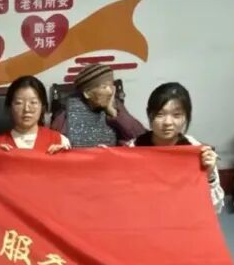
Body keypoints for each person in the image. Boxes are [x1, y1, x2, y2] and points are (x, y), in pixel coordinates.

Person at [132, 82, 224, 215]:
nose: (167, 122)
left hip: (182, 219)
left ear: (186, 117)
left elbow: (214, 209)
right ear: (149, 115)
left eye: (176, 115)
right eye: (160, 114)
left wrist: (209, 176)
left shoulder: (198, 152)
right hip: (144, 218)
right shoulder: (133, 149)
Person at [52, 63, 146, 147]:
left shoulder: (116, 108)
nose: (110, 91)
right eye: (104, 87)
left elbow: (142, 140)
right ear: (87, 93)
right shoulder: (67, 115)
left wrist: (114, 113)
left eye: (111, 85)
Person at [0, 76, 70, 153]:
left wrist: (62, 157)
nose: (26, 109)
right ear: (9, 107)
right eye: (19, 103)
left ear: (43, 107)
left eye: (33, 102)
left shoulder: (60, 141)